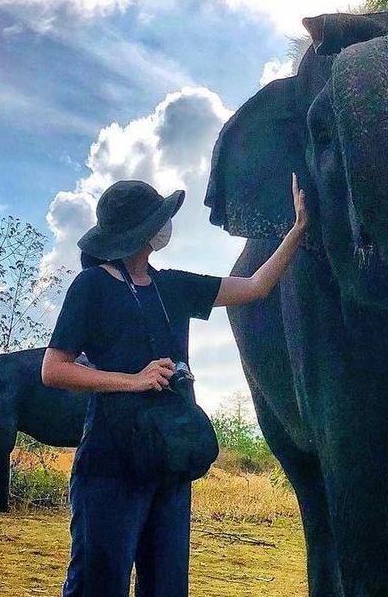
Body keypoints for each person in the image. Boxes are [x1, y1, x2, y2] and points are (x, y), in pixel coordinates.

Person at [42, 174, 306, 597]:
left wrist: (298, 230)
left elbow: (255, 287)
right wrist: (133, 380)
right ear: (141, 231)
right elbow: (54, 369)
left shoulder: (172, 286)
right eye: (160, 218)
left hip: (168, 458)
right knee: (98, 584)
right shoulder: (91, 286)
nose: (166, 226)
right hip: (110, 462)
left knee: (167, 587)